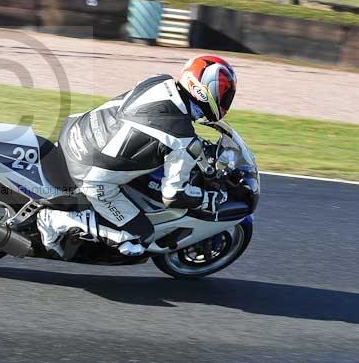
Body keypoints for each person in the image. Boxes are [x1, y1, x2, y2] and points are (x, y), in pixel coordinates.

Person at [36, 55, 238, 259]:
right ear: (205, 91)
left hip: (75, 132)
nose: (225, 99)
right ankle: (56, 220)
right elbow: (173, 194)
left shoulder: (160, 81)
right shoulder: (182, 139)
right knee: (140, 235)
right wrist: (208, 199)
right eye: (224, 93)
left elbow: (151, 125)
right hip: (89, 175)